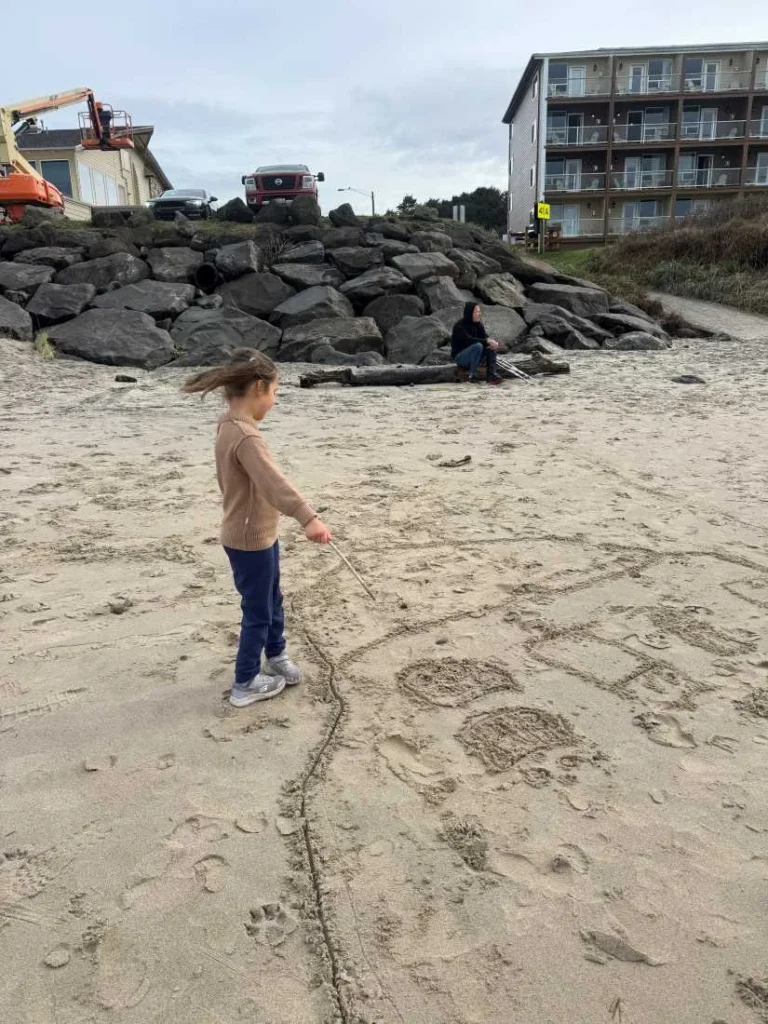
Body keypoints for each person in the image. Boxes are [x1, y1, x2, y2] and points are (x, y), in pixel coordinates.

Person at [182, 350, 332, 708]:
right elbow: (272, 482)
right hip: (249, 539)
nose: (274, 401)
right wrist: (308, 517)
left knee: (271, 598)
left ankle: (275, 653)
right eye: (275, 393)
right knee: (258, 610)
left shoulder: (230, 424)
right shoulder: (246, 437)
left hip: (256, 534)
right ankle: (245, 681)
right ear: (259, 387)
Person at [451, 302, 502, 384]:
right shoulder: (459, 326)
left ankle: (491, 375)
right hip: (460, 357)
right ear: (470, 313)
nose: (480, 314)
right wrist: (486, 341)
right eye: (477, 312)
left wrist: (493, 343)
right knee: (478, 346)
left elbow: (485, 338)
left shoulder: (478, 325)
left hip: (476, 356)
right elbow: (468, 340)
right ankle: (472, 375)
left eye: (479, 311)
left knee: (489, 348)